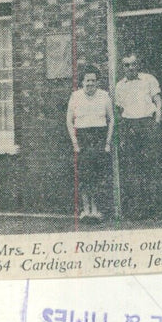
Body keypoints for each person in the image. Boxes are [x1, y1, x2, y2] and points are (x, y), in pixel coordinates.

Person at [114, 52, 161, 220]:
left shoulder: (149, 79)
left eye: (133, 64)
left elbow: (158, 101)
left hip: (147, 123)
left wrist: (157, 121)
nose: (130, 68)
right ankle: (137, 210)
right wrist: (123, 133)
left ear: (137, 65)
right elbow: (119, 111)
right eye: (126, 65)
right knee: (133, 168)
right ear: (123, 67)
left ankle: (153, 209)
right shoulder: (120, 86)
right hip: (130, 125)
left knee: (151, 164)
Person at [66, 65, 114, 221]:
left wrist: (107, 142)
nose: (90, 84)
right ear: (82, 81)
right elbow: (69, 120)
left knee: (98, 175)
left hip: (99, 137)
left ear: (97, 82)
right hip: (83, 138)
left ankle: (96, 210)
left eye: (93, 80)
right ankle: (86, 210)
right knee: (85, 176)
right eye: (87, 80)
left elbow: (111, 119)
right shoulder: (76, 96)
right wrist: (75, 143)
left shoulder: (104, 96)